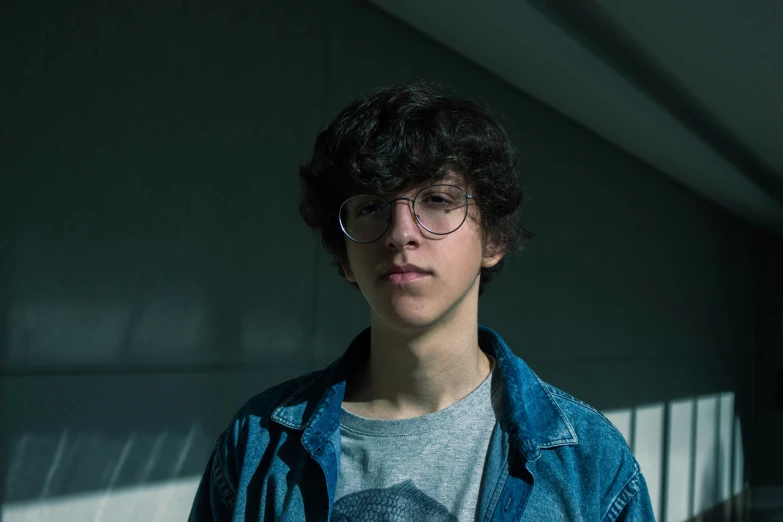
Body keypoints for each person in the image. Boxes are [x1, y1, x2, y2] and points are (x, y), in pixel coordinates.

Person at [189, 81, 655, 521]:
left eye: (436, 199)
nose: (401, 233)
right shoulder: (256, 444)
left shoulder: (590, 462)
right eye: (371, 207)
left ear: (493, 239)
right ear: (345, 257)